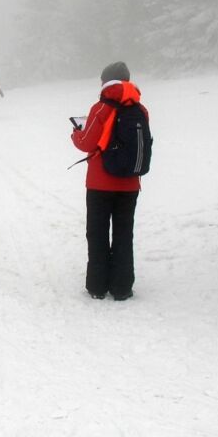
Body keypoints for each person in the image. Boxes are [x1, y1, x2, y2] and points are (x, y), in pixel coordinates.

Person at [70, 62, 148, 301]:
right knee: (124, 233)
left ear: (106, 81)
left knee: (98, 233)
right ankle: (122, 286)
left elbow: (87, 143)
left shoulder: (100, 108)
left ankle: (97, 285)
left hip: (99, 184)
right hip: (129, 184)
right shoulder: (141, 109)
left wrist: (76, 133)